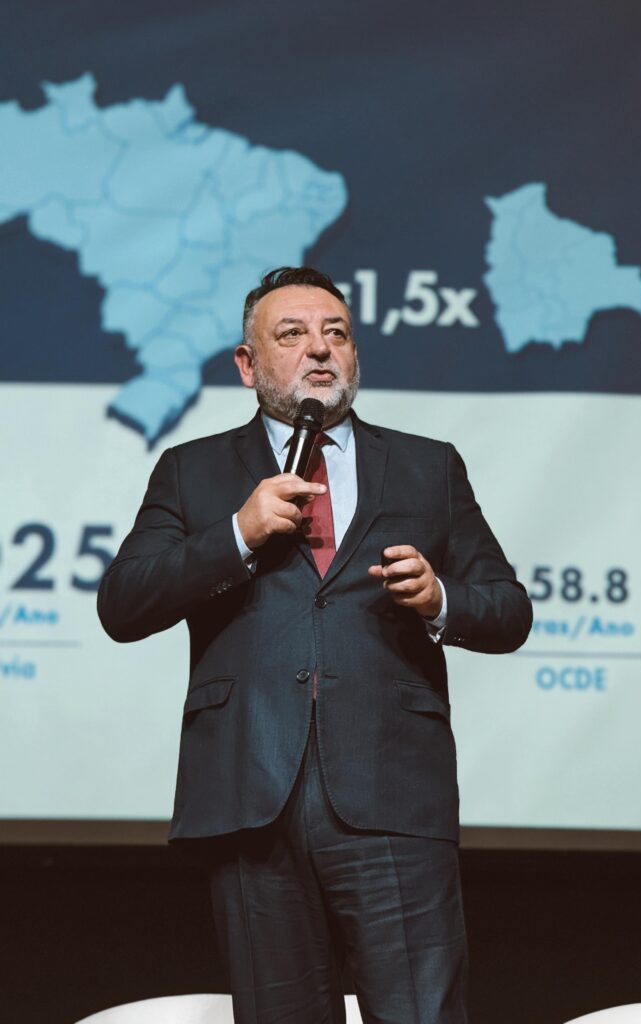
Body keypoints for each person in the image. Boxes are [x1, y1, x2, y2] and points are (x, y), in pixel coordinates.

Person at [98, 266, 532, 1024]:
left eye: (336, 333)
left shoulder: (428, 465)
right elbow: (124, 604)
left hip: (393, 794)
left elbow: (509, 609)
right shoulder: (193, 470)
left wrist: (439, 598)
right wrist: (237, 534)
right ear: (247, 364)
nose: (320, 350)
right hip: (249, 796)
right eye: (292, 334)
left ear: (355, 354)